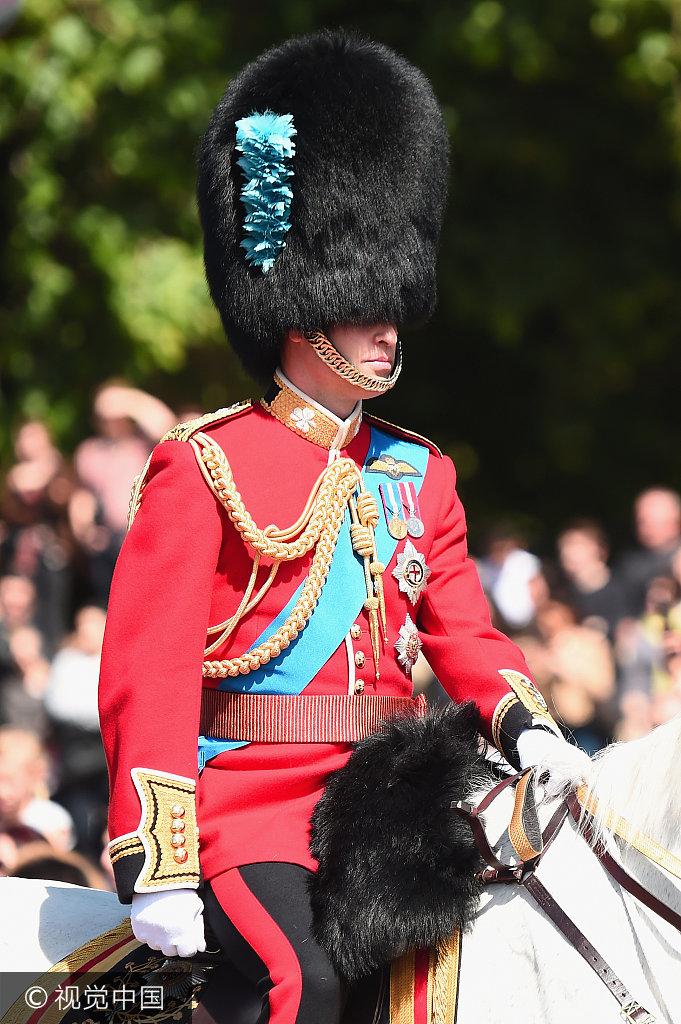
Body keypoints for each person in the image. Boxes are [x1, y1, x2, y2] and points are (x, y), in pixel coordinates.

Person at [98, 31, 588, 1024]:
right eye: (365, 305)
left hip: (393, 795)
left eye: (393, 304)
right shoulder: (209, 462)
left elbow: (463, 632)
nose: (389, 326)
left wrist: (535, 729)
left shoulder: (421, 471)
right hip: (250, 805)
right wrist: (156, 859)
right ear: (298, 307)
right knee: (300, 982)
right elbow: (147, 671)